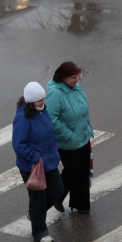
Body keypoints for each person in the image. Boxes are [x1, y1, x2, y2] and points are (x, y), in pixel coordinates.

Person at [12, 81, 64, 242]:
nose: (42, 102)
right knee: (38, 198)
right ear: (30, 102)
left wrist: (55, 144)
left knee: (57, 191)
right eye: (38, 100)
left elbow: (50, 130)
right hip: (32, 166)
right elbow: (18, 144)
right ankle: (40, 232)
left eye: (43, 99)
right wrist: (35, 157)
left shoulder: (42, 111)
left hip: (49, 161)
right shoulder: (23, 118)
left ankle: (34, 214)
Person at [45, 62, 94, 214]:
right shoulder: (55, 94)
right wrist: (69, 135)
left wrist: (88, 129)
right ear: (63, 78)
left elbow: (83, 110)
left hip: (83, 137)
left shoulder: (76, 88)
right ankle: (55, 198)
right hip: (67, 141)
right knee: (72, 171)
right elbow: (51, 120)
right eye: (73, 77)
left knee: (83, 171)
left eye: (77, 76)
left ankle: (81, 204)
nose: (76, 80)